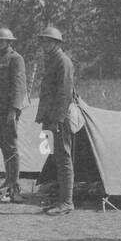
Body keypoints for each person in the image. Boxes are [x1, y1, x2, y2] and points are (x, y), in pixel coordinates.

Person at [0, 27, 28, 203]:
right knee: (3, 145)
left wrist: (14, 110)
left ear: (9, 42)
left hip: (7, 110)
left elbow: (19, 86)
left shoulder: (16, 59)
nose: (0, 43)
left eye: (3, 41)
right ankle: (8, 180)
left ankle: (14, 184)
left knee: (11, 146)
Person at [35, 26, 75, 215]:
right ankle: (60, 198)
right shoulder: (52, 61)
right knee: (55, 157)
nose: (45, 44)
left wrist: (58, 119)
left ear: (57, 43)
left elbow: (64, 93)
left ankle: (66, 202)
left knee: (63, 158)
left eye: (48, 41)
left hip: (60, 118)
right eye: (43, 41)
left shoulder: (63, 61)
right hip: (50, 117)